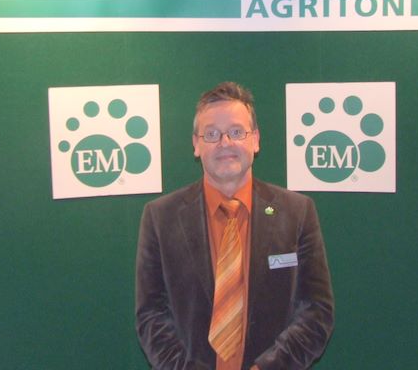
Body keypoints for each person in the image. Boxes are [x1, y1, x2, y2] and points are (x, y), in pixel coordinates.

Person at [135, 82, 334, 370]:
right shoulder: (160, 217)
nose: (225, 143)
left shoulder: (297, 212)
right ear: (196, 144)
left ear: (256, 140)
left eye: (237, 132)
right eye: (212, 134)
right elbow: (151, 316)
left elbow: (317, 312)